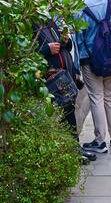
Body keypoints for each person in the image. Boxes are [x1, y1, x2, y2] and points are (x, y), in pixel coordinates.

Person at [68, 0, 111, 154]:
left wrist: (79, 64)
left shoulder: (80, 7)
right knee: (110, 96)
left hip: (90, 59)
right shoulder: (110, 1)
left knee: (96, 98)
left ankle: (100, 141)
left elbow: (79, 38)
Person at [34, 20, 97, 163]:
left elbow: (67, 48)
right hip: (51, 79)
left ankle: (74, 148)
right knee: (61, 114)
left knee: (69, 111)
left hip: (65, 76)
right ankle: (67, 152)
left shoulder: (49, 20)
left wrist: (66, 41)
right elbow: (26, 53)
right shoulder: (32, 22)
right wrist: (46, 50)